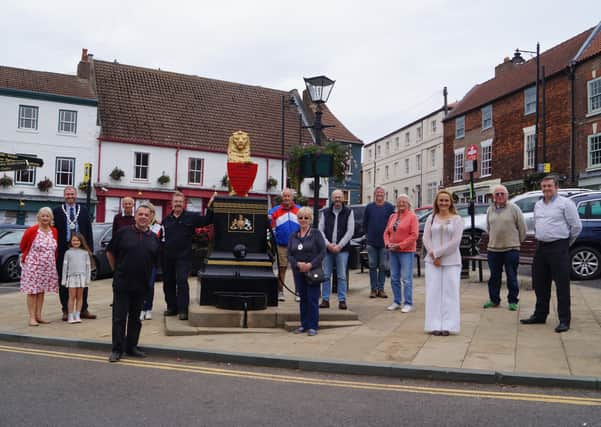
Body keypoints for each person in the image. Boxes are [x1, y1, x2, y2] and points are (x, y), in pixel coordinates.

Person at [521, 176, 582, 333]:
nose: (546, 189)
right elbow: (537, 224)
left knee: (562, 285)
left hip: (559, 246)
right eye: (544, 186)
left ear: (556, 187)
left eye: (549, 186)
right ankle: (540, 315)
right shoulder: (538, 204)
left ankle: (564, 320)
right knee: (540, 283)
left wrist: (564, 243)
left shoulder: (566, 204)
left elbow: (576, 226)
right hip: (541, 247)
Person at [106, 204, 161, 363]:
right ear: (135, 216)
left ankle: (131, 347)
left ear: (151, 218)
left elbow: (154, 262)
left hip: (141, 285)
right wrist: (116, 271)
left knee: (136, 319)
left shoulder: (154, 239)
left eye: (146, 215)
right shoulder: (123, 233)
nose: (143, 217)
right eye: (140, 214)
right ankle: (117, 349)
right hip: (122, 283)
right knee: (119, 318)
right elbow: (110, 252)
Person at [162, 191, 215, 320]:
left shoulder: (191, 217)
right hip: (167, 257)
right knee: (168, 282)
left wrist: (210, 205)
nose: (178, 204)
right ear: (172, 204)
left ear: (184, 203)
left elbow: (207, 220)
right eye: (176, 202)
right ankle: (171, 307)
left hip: (183, 257)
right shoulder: (166, 220)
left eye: (180, 202)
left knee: (181, 281)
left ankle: (183, 310)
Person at [422, 190, 463, 336]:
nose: (444, 203)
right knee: (433, 293)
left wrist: (438, 253)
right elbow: (426, 239)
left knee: (450, 293)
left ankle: (448, 325)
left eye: (446, 200)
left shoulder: (457, 219)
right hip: (432, 262)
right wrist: (433, 255)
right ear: (436, 202)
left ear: (450, 202)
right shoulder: (431, 218)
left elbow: (455, 242)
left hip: (451, 261)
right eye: (441, 200)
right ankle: (433, 325)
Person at [53, 186, 96, 321]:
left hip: (81, 249)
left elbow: (88, 230)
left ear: (76, 195)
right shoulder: (57, 211)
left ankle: (83, 309)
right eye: (68, 194)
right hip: (64, 250)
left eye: (72, 194)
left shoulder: (83, 210)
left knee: (82, 280)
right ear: (64, 195)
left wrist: (90, 249)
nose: (70, 196)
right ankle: (66, 310)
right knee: (64, 281)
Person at [483, 185, 527, 311]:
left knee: (511, 276)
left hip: (511, 249)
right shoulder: (489, 210)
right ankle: (494, 300)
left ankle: (513, 301)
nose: (500, 196)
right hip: (493, 249)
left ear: (507, 195)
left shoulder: (514, 209)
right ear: (493, 197)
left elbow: (522, 229)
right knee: (494, 277)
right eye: (497, 194)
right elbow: (488, 228)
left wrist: (516, 243)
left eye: (502, 194)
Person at [287, 207, 326, 336]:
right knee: (303, 298)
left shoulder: (316, 234)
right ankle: (304, 324)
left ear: (310, 219)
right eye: (300, 217)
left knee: (312, 299)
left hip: (312, 271)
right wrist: (297, 264)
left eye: (306, 217)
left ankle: (313, 326)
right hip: (298, 272)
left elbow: (322, 252)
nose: (303, 220)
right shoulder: (294, 235)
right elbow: (289, 254)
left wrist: (310, 264)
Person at [19, 207, 59, 326]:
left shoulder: (54, 231)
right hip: (33, 266)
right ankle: (32, 318)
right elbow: (23, 246)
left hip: (47, 267)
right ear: (38, 217)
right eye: (43, 216)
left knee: (41, 291)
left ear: (51, 218)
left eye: (47, 216)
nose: (45, 218)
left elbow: (55, 249)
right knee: (32, 291)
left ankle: (38, 316)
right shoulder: (31, 230)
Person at [318, 189, 354, 310]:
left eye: (339, 197)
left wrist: (340, 246)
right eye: (335, 197)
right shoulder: (325, 212)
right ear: (332, 199)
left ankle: (342, 300)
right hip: (327, 249)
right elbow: (320, 230)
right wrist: (328, 245)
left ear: (343, 198)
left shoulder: (349, 212)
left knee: (341, 276)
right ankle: (325, 300)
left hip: (342, 250)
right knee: (326, 275)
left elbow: (350, 231)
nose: (337, 200)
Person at [383, 194, 419, 313]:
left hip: (406, 251)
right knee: (394, 278)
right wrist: (388, 244)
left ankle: (408, 303)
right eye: (399, 202)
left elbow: (414, 235)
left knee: (406, 279)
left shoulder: (412, 217)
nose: (401, 204)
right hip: (393, 251)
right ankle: (397, 301)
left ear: (408, 204)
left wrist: (400, 245)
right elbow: (386, 232)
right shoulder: (392, 216)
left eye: (404, 202)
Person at [268, 188, 300, 302]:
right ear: (282, 198)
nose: (286, 198)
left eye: (288, 196)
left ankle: (298, 292)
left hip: (296, 245)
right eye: (285, 196)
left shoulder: (299, 210)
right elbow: (269, 224)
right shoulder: (274, 211)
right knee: (282, 268)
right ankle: (280, 291)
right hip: (281, 245)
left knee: (298, 269)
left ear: (292, 198)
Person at [363, 186, 394, 298]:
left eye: (381, 192)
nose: (379, 194)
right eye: (378, 192)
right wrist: (367, 236)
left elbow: (393, 224)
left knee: (382, 266)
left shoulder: (390, 207)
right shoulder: (369, 207)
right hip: (371, 242)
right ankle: (373, 289)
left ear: (384, 194)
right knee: (372, 266)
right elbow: (365, 223)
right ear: (374, 194)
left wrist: (390, 239)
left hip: (384, 243)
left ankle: (381, 289)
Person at [62, 233, 93, 324]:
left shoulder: (85, 253)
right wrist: (64, 279)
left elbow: (88, 267)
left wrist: (87, 278)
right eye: (74, 240)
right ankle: (70, 315)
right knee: (72, 297)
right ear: (71, 241)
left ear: (81, 241)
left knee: (80, 297)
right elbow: (65, 267)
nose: (76, 242)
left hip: (81, 277)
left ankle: (77, 315)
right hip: (71, 277)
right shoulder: (68, 252)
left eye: (77, 240)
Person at [140, 203, 163, 321]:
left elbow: (161, 245)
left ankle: (148, 308)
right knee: (140, 285)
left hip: (152, 262)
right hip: (140, 261)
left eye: (151, 212)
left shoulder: (159, 227)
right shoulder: (141, 226)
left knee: (149, 285)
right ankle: (141, 308)